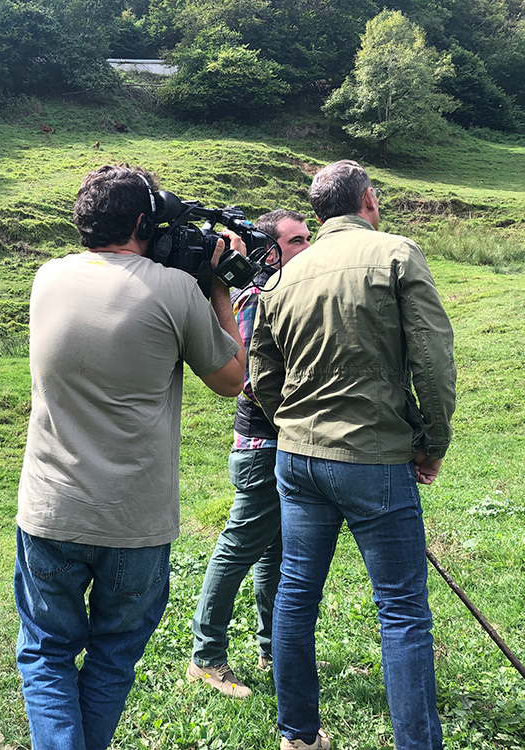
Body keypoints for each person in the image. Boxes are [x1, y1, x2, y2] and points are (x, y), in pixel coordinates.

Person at [15, 164, 248, 750]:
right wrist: (215, 284)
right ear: (145, 223)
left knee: (46, 653)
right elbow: (233, 379)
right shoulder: (174, 291)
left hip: (51, 508)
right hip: (135, 520)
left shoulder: (48, 278)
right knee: (114, 656)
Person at [250, 160, 456, 750]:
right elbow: (433, 362)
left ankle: (299, 737)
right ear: (367, 198)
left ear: (317, 212)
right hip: (374, 461)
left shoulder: (284, 276)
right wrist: (431, 441)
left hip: (297, 459)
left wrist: (290, 421)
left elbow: (262, 372)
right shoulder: (396, 253)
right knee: (402, 612)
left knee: (296, 595)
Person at [186, 209, 311, 699]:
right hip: (264, 446)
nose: (308, 247)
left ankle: (271, 647)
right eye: (297, 241)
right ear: (269, 251)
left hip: (277, 443)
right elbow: (253, 381)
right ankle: (206, 656)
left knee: (272, 555)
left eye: (309, 238)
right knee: (239, 548)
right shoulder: (259, 298)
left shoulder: (285, 293)